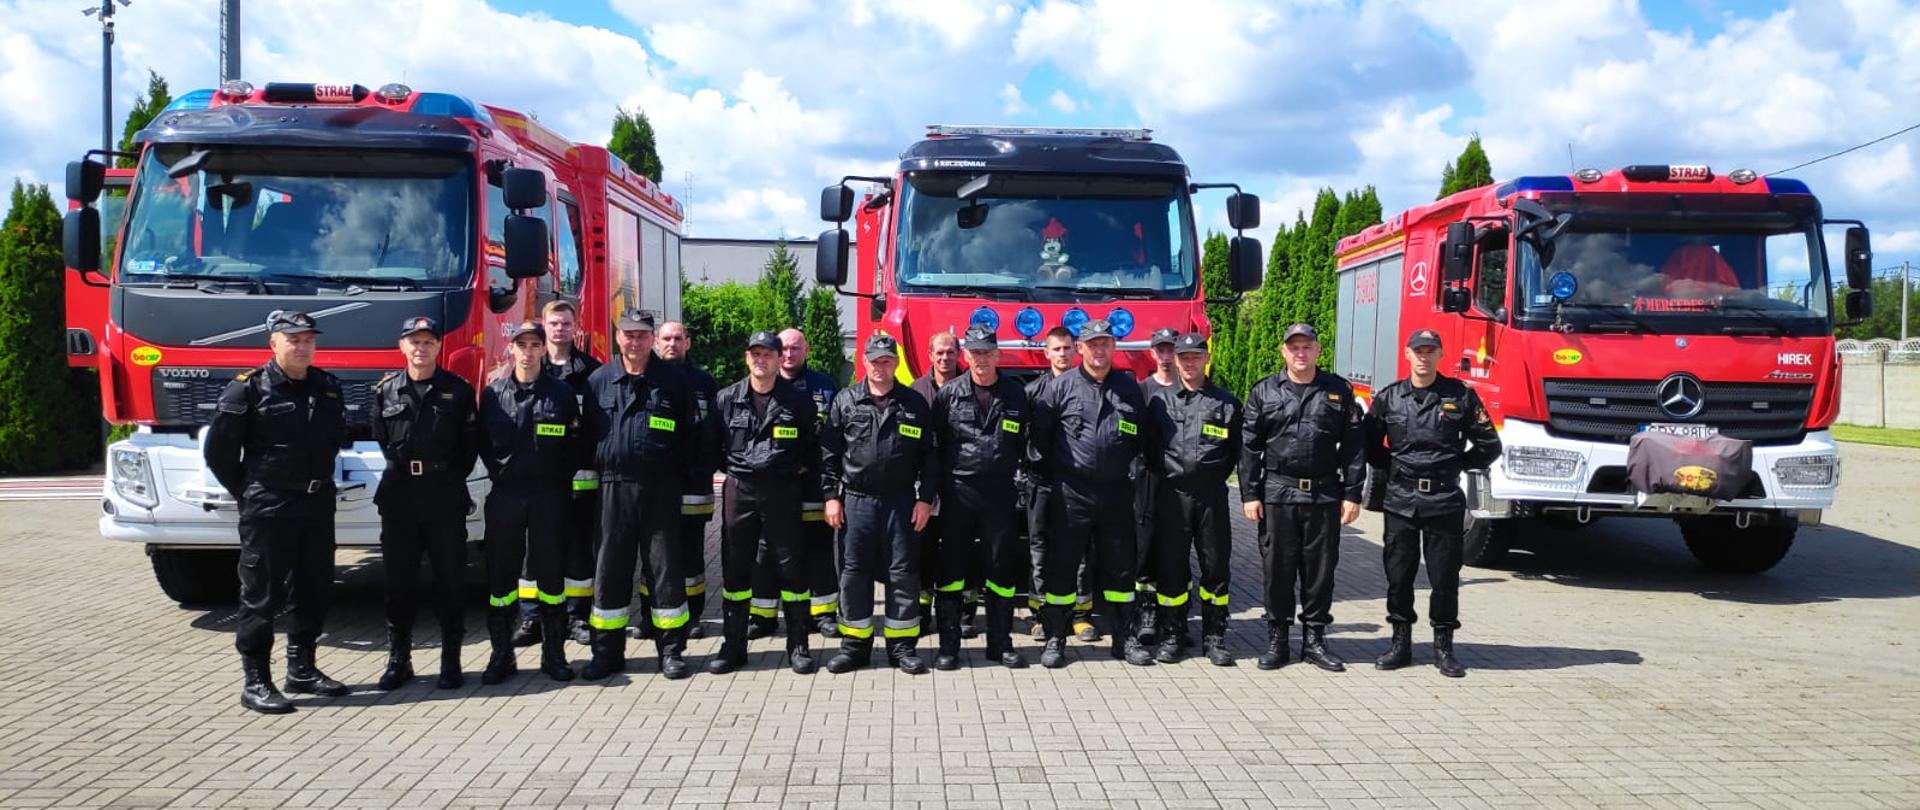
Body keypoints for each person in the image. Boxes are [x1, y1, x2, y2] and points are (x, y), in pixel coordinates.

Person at [204, 310, 350, 714]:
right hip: (268, 507)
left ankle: (302, 669)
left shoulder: (327, 388)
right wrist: (249, 492)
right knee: (261, 596)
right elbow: (218, 453)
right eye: (293, 339)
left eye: (308, 339)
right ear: (273, 343)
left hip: (316, 504)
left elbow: (333, 441)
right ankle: (256, 681)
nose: (302, 346)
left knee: (314, 589)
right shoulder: (247, 390)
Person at [1363, 329, 1504, 678]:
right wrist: (1393, 468)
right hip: (1401, 500)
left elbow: (1489, 445)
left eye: (1430, 351)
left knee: (1444, 577)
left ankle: (1444, 647)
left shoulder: (1460, 396)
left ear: (1440, 355)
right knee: (1399, 576)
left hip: (1443, 500)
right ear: (1407, 355)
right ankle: (1400, 644)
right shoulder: (1390, 398)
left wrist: (1458, 465)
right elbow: (1367, 444)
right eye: (1417, 351)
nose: (1423, 357)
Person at [581, 310, 701, 680]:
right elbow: (585, 439)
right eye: (628, 335)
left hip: (659, 488)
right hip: (613, 490)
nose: (635, 342)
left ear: (652, 339)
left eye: (642, 335)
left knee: (665, 572)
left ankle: (671, 651)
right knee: (609, 572)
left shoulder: (672, 381)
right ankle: (607, 654)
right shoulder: (599, 380)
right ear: (618, 338)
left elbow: (690, 437)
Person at [1239, 323, 1366, 672]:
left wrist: (1353, 492)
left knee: (1320, 572)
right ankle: (1278, 640)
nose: (1300, 352)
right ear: (1283, 351)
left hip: (1324, 494)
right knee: (1277, 570)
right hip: (1278, 493)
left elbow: (1354, 448)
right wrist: (1250, 493)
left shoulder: (1338, 391)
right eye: (1293, 346)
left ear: (1317, 350)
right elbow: (1249, 447)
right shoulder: (1264, 392)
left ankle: (1314, 640)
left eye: (1306, 346)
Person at [1029, 319, 1153, 668]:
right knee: (1062, 570)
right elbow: (1040, 438)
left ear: (1113, 347)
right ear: (1080, 348)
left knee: (1120, 570)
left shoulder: (1129, 388)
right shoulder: (1060, 387)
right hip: (1071, 492)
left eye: (1105, 344)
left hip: (1115, 492)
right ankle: (1055, 638)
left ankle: (1124, 638)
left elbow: (1139, 437)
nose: (1099, 350)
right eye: (1092, 344)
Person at [369, 316, 480, 691]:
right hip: (399, 496)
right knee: (398, 584)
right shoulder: (385, 391)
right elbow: (383, 440)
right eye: (414, 342)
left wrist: (441, 475)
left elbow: (468, 449)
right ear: (402, 347)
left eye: (428, 342)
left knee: (450, 580)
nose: (421, 348)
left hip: (443, 495)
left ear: (438, 347)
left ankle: (451, 660)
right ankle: (399, 659)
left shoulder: (458, 391)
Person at [820, 334, 941, 674]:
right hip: (856, 502)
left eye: (886, 360)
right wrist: (831, 497)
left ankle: (901, 647)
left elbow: (930, 458)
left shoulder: (914, 404)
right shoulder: (846, 401)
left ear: (896, 363)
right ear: (864, 362)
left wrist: (925, 500)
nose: (880, 365)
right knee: (853, 572)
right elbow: (828, 455)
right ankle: (854, 646)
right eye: (874, 360)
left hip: (901, 502)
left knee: (902, 574)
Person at [707, 331, 821, 675]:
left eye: (767, 354)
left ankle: (799, 646)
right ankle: (733, 646)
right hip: (740, 490)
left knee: (791, 567)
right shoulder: (727, 399)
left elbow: (812, 447)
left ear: (777, 358)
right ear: (747, 359)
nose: (761, 360)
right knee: (736, 567)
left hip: (783, 491)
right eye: (755, 354)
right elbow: (712, 445)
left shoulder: (798, 401)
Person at [477, 321, 580, 684]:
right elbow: (483, 444)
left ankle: (554, 656)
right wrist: (501, 473)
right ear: (512, 349)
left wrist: (556, 480)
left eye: (534, 344)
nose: (528, 351)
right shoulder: (492, 394)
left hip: (548, 495)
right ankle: (501, 655)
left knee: (551, 576)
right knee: (502, 579)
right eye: (521, 344)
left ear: (541, 349)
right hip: (505, 495)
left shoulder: (562, 394)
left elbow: (574, 446)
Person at [928, 324, 1030, 669]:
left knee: (1001, 571)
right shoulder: (949, 395)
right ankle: (949, 647)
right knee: (952, 571)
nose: (981, 358)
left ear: (997, 354)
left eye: (987, 352)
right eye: (975, 352)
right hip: (959, 493)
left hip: (1000, 495)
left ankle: (1000, 644)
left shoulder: (1017, 394)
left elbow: (1028, 445)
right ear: (966, 356)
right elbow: (936, 446)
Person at [1145, 333, 1240, 666]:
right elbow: (1149, 448)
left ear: (1205, 358)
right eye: (1183, 357)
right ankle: (1173, 634)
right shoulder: (1159, 402)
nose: (1188, 362)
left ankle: (1214, 637)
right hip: (1172, 497)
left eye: (1195, 356)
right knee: (1171, 569)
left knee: (1215, 567)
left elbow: (1235, 452)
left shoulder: (1227, 403)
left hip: (1211, 497)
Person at [750, 328, 843, 640]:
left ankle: (823, 613)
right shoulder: (763, 384)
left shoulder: (825, 386)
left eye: (795, 348)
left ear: (807, 349)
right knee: (767, 549)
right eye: (784, 349)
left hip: (813, 481)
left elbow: (832, 435)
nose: (789, 355)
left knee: (817, 547)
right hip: (774, 484)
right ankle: (763, 616)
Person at [523, 300, 601, 647]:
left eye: (566, 323)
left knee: (579, 550)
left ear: (576, 326)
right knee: (534, 550)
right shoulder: (529, 370)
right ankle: (531, 618)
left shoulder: (593, 373)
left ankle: (576, 617)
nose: (560, 329)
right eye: (553, 323)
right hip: (539, 480)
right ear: (544, 325)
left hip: (580, 479)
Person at [657, 320, 721, 639]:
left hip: (695, 482)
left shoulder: (704, 382)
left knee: (692, 552)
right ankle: (650, 614)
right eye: (666, 338)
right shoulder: (649, 378)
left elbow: (712, 433)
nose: (672, 343)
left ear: (688, 342)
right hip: (658, 481)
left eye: (678, 338)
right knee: (655, 551)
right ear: (657, 342)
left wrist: (704, 467)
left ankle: (694, 616)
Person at [910, 331, 964, 636]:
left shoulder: (970, 387)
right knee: (924, 548)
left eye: (950, 352)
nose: (945, 358)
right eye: (939, 352)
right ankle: (921, 610)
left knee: (960, 549)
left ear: (959, 355)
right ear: (930, 354)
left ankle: (961, 612)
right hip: (926, 484)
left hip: (960, 483)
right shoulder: (916, 392)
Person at [1024, 326, 1076, 638]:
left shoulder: (1086, 387)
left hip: (1076, 483)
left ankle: (1080, 614)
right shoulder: (1032, 392)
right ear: (1046, 353)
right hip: (1041, 481)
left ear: (1075, 350)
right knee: (1039, 547)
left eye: (1067, 348)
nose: (1062, 354)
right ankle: (1040, 613)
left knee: (1079, 549)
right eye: (1056, 349)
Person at [1132, 326, 1181, 645]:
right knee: (1146, 547)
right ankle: (1146, 614)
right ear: (1152, 353)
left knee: (1177, 551)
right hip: (1149, 477)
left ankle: (1176, 619)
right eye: (1160, 350)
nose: (1165, 355)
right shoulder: (1141, 390)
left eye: (1171, 349)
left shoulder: (1192, 388)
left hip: (1182, 482)